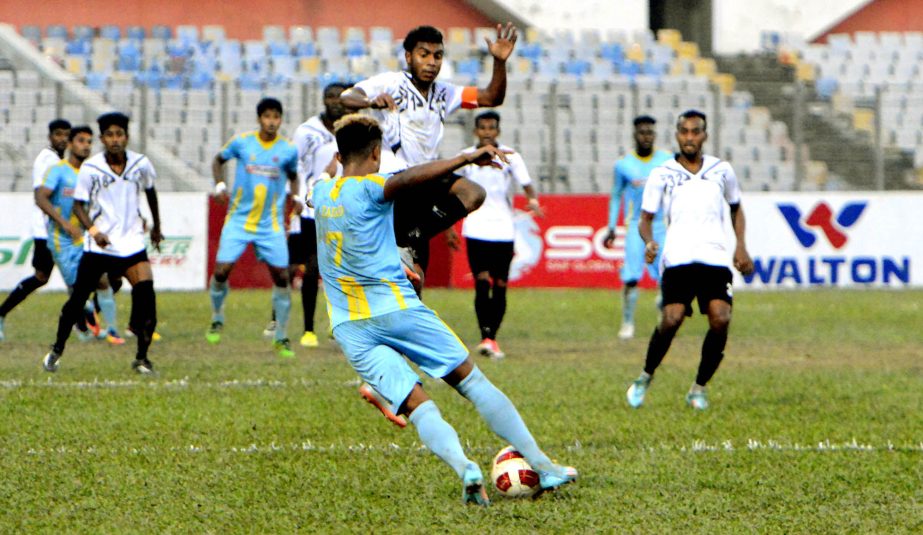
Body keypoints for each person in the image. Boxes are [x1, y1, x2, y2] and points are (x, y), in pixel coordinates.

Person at [313, 114, 576, 505]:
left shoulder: (319, 194)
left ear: (338, 154)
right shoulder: (372, 187)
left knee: (418, 408)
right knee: (472, 383)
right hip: (398, 310)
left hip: (350, 327)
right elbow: (407, 180)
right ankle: (545, 467)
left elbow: (333, 187)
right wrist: (464, 159)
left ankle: (464, 467)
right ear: (375, 152)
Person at [339, 24, 518, 284]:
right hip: (396, 181)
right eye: (424, 54)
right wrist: (369, 101)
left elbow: (491, 97)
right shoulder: (390, 82)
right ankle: (409, 243)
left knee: (473, 193)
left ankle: (415, 236)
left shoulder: (446, 92)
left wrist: (499, 63)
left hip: (426, 176)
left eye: (437, 55)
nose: (432, 62)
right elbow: (348, 96)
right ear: (409, 56)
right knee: (410, 277)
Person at [625, 110, 754, 410]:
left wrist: (741, 246)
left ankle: (699, 387)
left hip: (714, 257)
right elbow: (645, 219)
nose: (689, 137)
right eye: (684, 131)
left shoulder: (722, 170)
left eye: (695, 131)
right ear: (677, 135)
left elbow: (736, 208)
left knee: (721, 319)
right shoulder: (662, 173)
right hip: (678, 257)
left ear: (704, 135)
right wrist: (649, 242)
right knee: (671, 319)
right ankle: (645, 376)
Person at [42, 112, 162, 374]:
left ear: (127, 137)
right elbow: (78, 206)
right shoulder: (91, 168)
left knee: (147, 298)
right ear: (102, 139)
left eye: (119, 134)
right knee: (77, 301)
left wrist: (156, 228)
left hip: (131, 243)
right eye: (109, 135)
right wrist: (94, 231)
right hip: (99, 245)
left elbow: (151, 192)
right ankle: (57, 349)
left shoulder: (140, 164)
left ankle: (141, 358)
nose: (115, 139)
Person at [207, 97, 301, 358]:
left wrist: (295, 197)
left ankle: (281, 336)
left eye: (276, 117)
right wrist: (220, 186)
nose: (272, 122)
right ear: (259, 118)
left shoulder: (288, 149)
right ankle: (217, 316)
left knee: (282, 277)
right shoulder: (242, 142)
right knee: (222, 271)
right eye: (267, 116)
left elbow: (294, 176)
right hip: (238, 220)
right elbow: (218, 160)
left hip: (270, 223)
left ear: (281, 120)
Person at [262, 82, 350, 348]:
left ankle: (332, 326)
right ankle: (283, 320)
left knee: (332, 269)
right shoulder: (308, 131)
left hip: (341, 210)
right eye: (330, 97)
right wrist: (297, 197)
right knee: (294, 268)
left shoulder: (352, 130)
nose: (335, 102)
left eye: (340, 97)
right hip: (310, 208)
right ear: (323, 100)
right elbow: (295, 164)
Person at [457, 111, 541, 359]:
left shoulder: (511, 157)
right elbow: (451, 187)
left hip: (503, 228)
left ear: (498, 131)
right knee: (482, 283)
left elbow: (526, 183)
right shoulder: (466, 158)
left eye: (491, 128)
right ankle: (487, 337)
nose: (487, 132)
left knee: (501, 285)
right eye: (482, 128)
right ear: (475, 131)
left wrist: (533, 200)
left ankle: (492, 337)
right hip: (476, 227)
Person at [34, 125, 124, 345]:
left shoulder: (91, 171)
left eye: (89, 142)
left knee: (103, 282)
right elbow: (41, 198)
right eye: (81, 141)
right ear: (72, 144)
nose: (86, 146)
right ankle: (83, 328)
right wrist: (63, 223)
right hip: (61, 240)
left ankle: (112, 331)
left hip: (84, 238)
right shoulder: (59, 170)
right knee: (79, 290)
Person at [0, 119, 71, 341]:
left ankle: (85, 324)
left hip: (61, 229)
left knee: (75, 277)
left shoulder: (61, 161)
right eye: (58, 134)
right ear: (50, 137)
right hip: (47, 228)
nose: (62, 139)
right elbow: (42, 194)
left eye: (66, 135)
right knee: (43, 276)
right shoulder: (46, 159)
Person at [603, 116, 673, 340]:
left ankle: (664, 319)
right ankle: (627, 322)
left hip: (660, 225)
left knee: (666, 277)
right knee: (631, 277)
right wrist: (612, 226)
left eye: (650, 132)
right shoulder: (624, 164)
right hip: (635, 225)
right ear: (635, 135)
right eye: (642, 132)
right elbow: (616, 195)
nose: (646, 136)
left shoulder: (667, 160)